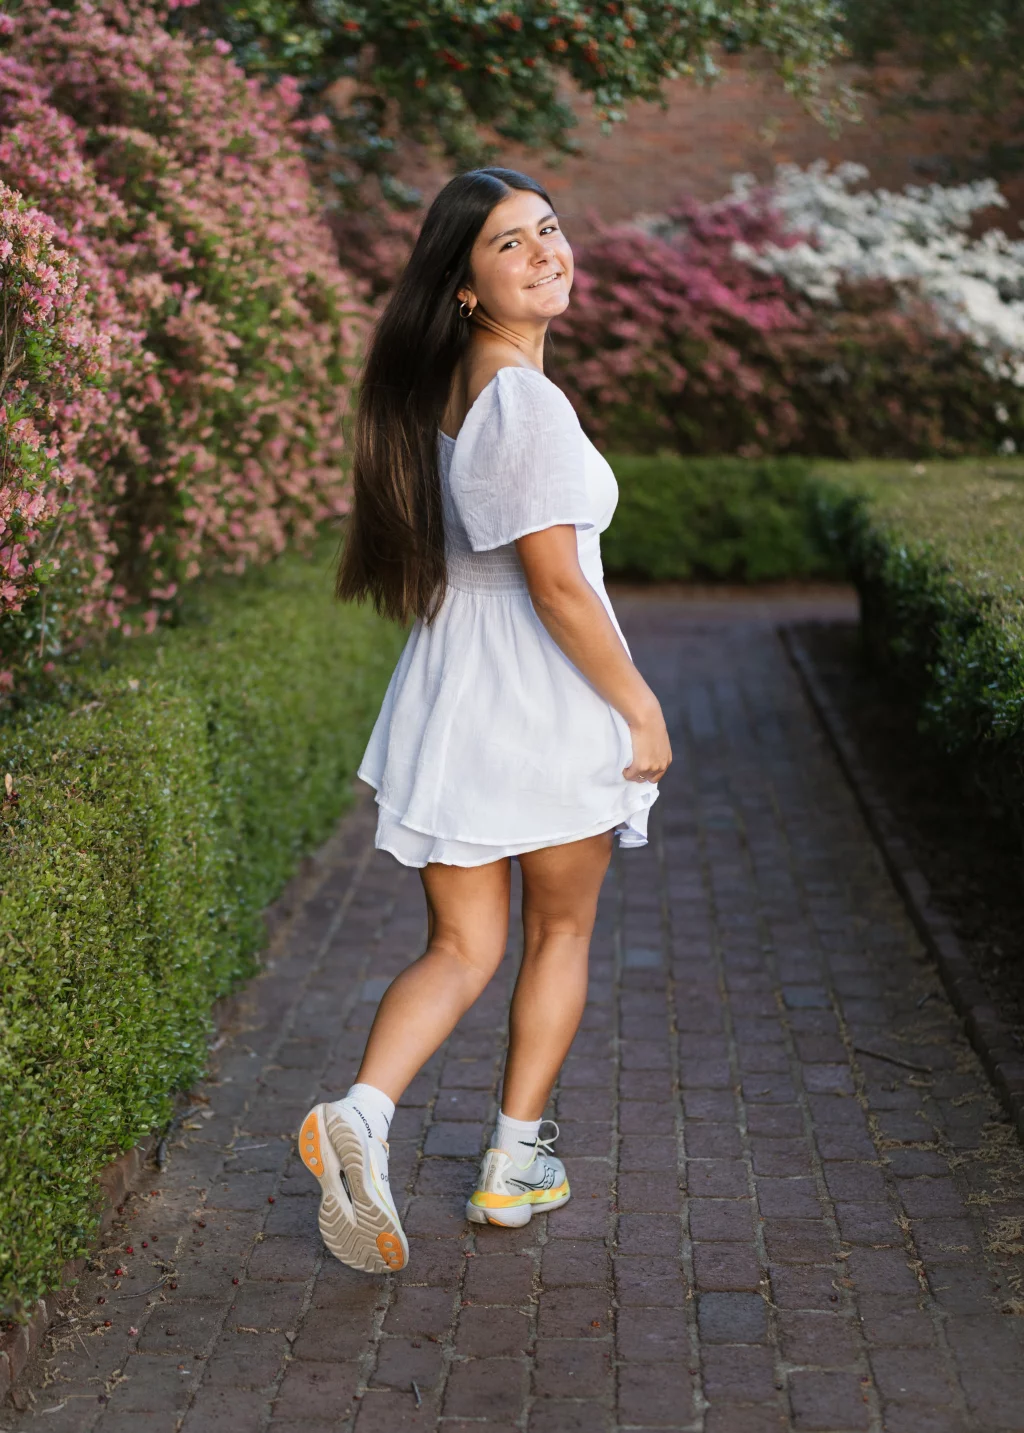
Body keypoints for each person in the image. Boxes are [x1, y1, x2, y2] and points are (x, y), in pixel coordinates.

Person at [299, 167, 672, 1274]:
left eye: (549, 229)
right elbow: (556, 583)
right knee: (555, 933)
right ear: (465, 283)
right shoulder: (524, 397)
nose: (546, 252)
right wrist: (639, 703)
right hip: (542, 691)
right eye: (511, 243)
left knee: (462, 943)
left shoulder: (460, 387)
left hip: (461, 684)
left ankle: (362, 1114)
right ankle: (512, 1164)